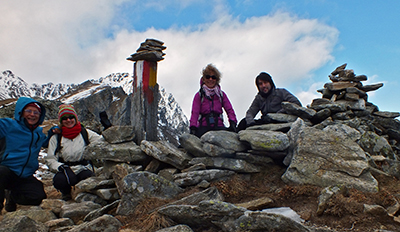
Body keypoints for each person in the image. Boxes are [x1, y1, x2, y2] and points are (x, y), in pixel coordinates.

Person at [45, 104, 102, 201]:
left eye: (71, 117)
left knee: (89, 178)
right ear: (61, 121)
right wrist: (62, 167)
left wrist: (108, 128)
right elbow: (50, 159)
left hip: (83, 167)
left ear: (75, 118)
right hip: (65, 168)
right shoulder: (56, 138)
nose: (68, 120)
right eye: (64, 118)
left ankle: (86, 196)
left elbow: (102, 141)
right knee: (59, 181)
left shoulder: (85, 133)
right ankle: (66, 193)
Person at [0, 97, 47, 212]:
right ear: (20, 112)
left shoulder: (39, 133)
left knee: (38, 196)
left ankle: (12, 196)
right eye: (28, 111)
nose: (32, 114)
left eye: (36, 112)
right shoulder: (8, 125)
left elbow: (47, 142)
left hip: (24, 176)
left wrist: (55, 130)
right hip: (6, 171)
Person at [238, 72, 302, 130]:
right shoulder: (259, 98)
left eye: (265, 82)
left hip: (281, 121)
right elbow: (250, 112)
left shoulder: (281, 92)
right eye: (260, 84)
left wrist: (277, 115)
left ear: (270, 83)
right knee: (243, 122)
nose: (263, 86)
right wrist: (251, 123)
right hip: (266, 122)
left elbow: (296, 103)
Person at [189, 64, 237, 138]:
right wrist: (193, 127)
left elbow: (229, 109)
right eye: (208, 77)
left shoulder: (221, 95)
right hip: (203, 127)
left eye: (213, 77)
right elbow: (195, 113)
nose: (210, 79)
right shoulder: (199, 95)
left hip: (219, 126)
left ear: (217, 80)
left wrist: (233, 122)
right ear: (204, 79)